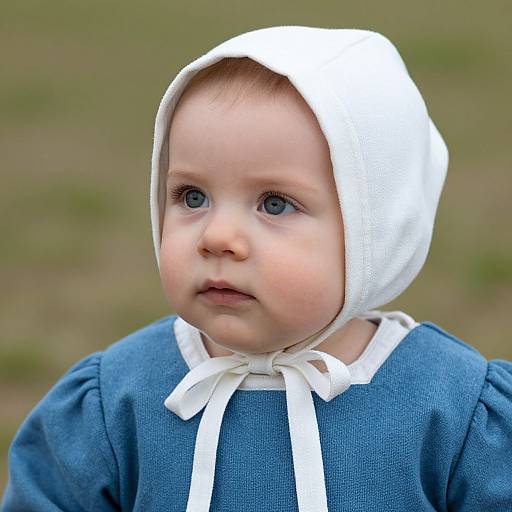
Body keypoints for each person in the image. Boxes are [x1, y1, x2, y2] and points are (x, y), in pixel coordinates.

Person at [2, 25, 511, 512]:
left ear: (373, 228)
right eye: (192, 196)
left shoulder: (455, 413)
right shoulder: (115, 405)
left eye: (274, 204)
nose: (218, 237)